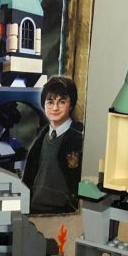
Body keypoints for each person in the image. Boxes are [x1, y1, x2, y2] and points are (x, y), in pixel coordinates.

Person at [22, 76, 84, 214]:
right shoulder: (40, 139)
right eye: (50, 102)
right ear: (43, 104)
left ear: (71, 105)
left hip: (64, 212)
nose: (55, 108)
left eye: (62, 102)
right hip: (35, 210)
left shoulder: (79, 138)